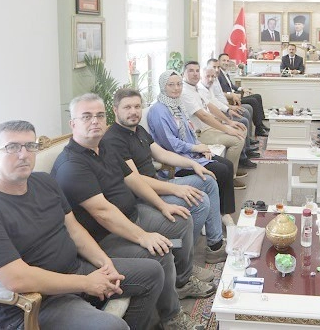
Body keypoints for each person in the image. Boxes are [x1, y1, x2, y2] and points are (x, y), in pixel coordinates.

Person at [0, 120, 165, 330]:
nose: (23, 154)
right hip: (37, 302)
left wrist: (105, 264)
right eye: (12, 147)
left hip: (76, 269)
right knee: (111, 327)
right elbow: (17, 280)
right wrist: (86, 283)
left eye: (30, 146)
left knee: (153, 272)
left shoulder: (44, 182)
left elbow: (75, 231)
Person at [51, 94, 215, 329]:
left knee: (181, 219)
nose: (95, 121)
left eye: (99, 115)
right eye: (86, 116)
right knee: (160, 253)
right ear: (73, 124)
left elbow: (133, 179)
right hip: (105, 236)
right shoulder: (71, 165)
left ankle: (182, 281)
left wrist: (163, 205)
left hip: (133, 214)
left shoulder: (104, 146)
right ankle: (171, 317)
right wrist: (143, 236)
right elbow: (103, 212)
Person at [100, 88, 227, 264]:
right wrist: (175, 188)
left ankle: (215, 245)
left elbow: (161, 154)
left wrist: (193, 164)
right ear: (115, 110)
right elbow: (136, 180)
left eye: (137, 106)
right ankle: (182, 261)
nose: (133, 111)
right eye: (127, 107)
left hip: (159, 182)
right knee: (200, 201)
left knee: (208, 180)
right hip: (142, 196)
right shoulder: (113, 140)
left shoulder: (138, 130)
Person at [147, 70, 238, 215]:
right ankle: (219, 214)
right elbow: (171, 144)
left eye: (179, 84)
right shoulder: (158, 111)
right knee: (221, 170)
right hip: (176, 160)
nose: (176, 88)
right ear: (163, 86)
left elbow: (190, 131)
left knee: (228, 165)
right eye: (171, 85)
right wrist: (196, 148)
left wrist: (202, 147)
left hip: (192, 153)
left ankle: (224, 213)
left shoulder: (177, 105)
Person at [179, 61, 253, 174]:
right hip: (198, 133)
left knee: (240, 129)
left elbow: (210, 105)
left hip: (207, 128)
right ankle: (230, 175)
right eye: (191, 71)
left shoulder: (195, 88)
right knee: (238, 140)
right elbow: (203, 116)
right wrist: (227, 129)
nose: (195, 73)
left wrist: (229, 122)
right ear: (183, 73)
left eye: (197, 71)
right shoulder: (185, 91)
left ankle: (231, 167)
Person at [199, 65, 260, 159]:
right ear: (201, 76)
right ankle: (243, 157)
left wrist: (228, 110)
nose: (211, 79)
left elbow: (214, 101)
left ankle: (247, 147)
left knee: (245, 115)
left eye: (213, 76)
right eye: (208, 76)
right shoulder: (200, 89)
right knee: (242, 121)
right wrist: (227, 116)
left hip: (221, 110)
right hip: (208, 124)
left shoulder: (210, 85)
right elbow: (208, 111)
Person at [216, 53, 268, 136]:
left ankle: (260, 124)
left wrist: (242, 88)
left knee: (257, 96)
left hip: (235, 96)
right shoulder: (218, 75)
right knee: (253, 101)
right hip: (230, 100)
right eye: (224, 60)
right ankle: (258, 128)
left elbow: (231, 86)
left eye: (227, 61)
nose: (226, 63)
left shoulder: (225, 73)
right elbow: (220, 92)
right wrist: (232, 94)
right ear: (218, 62)